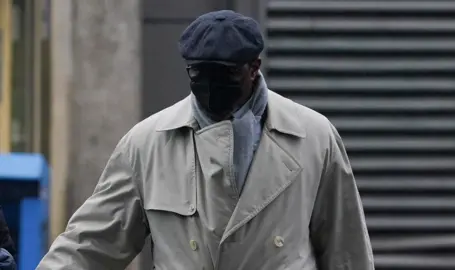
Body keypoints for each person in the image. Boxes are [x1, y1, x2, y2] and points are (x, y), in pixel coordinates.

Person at [37, 10, 374, 270]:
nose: (210, 84)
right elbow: (91, 243)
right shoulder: (147, 144)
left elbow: (346, 251)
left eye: (225, 73)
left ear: (254, 67)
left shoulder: (314, 136)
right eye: (199, 73)